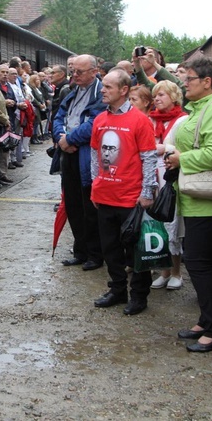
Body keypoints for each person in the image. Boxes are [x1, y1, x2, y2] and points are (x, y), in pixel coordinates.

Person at [164, 56, 212, 353]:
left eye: (189, 79)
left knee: (201, 265)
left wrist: (182, 159)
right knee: (198, 263)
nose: (184, 83)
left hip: (208, 202)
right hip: (194, 197)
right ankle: (207, 320)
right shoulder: (200, 108)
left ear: (207, 82)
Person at [91, 69, 157, 316]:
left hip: (131, 197)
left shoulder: (139, 120)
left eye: (108, 86)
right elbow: (95, 155)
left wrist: (147, 191)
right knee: (110, 248)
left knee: (135, 250)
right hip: (105, 195)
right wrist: (95, 185)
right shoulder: (100, 119)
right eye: (103, 86)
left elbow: (149, 157)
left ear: (124, 90)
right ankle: (117, 290)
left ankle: (139, 295)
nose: (103, 90)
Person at [53, 54, 107, 270]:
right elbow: (58, 117)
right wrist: (60, 138)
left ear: (94, 72)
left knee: (89, 208)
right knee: (73, 205)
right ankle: (80, 250)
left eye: (79, 72)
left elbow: (96, 123)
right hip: (68, 153)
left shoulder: (101, 93)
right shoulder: (71, 92)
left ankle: (95, 254)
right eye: (72, 71)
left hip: (86, 156)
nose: (74, 75)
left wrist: (69, 139)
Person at [138, 81, 188, 290]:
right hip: (153, 176)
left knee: (172, 224)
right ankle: (163, 270)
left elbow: (184, 146)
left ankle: (176, 271)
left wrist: (164, 147)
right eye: (156, 95)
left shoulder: (183, 120)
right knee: (156, 223)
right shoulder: (151, 119)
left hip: (171, 177)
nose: (157, 99)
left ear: (174, 97)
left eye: (162, 95)